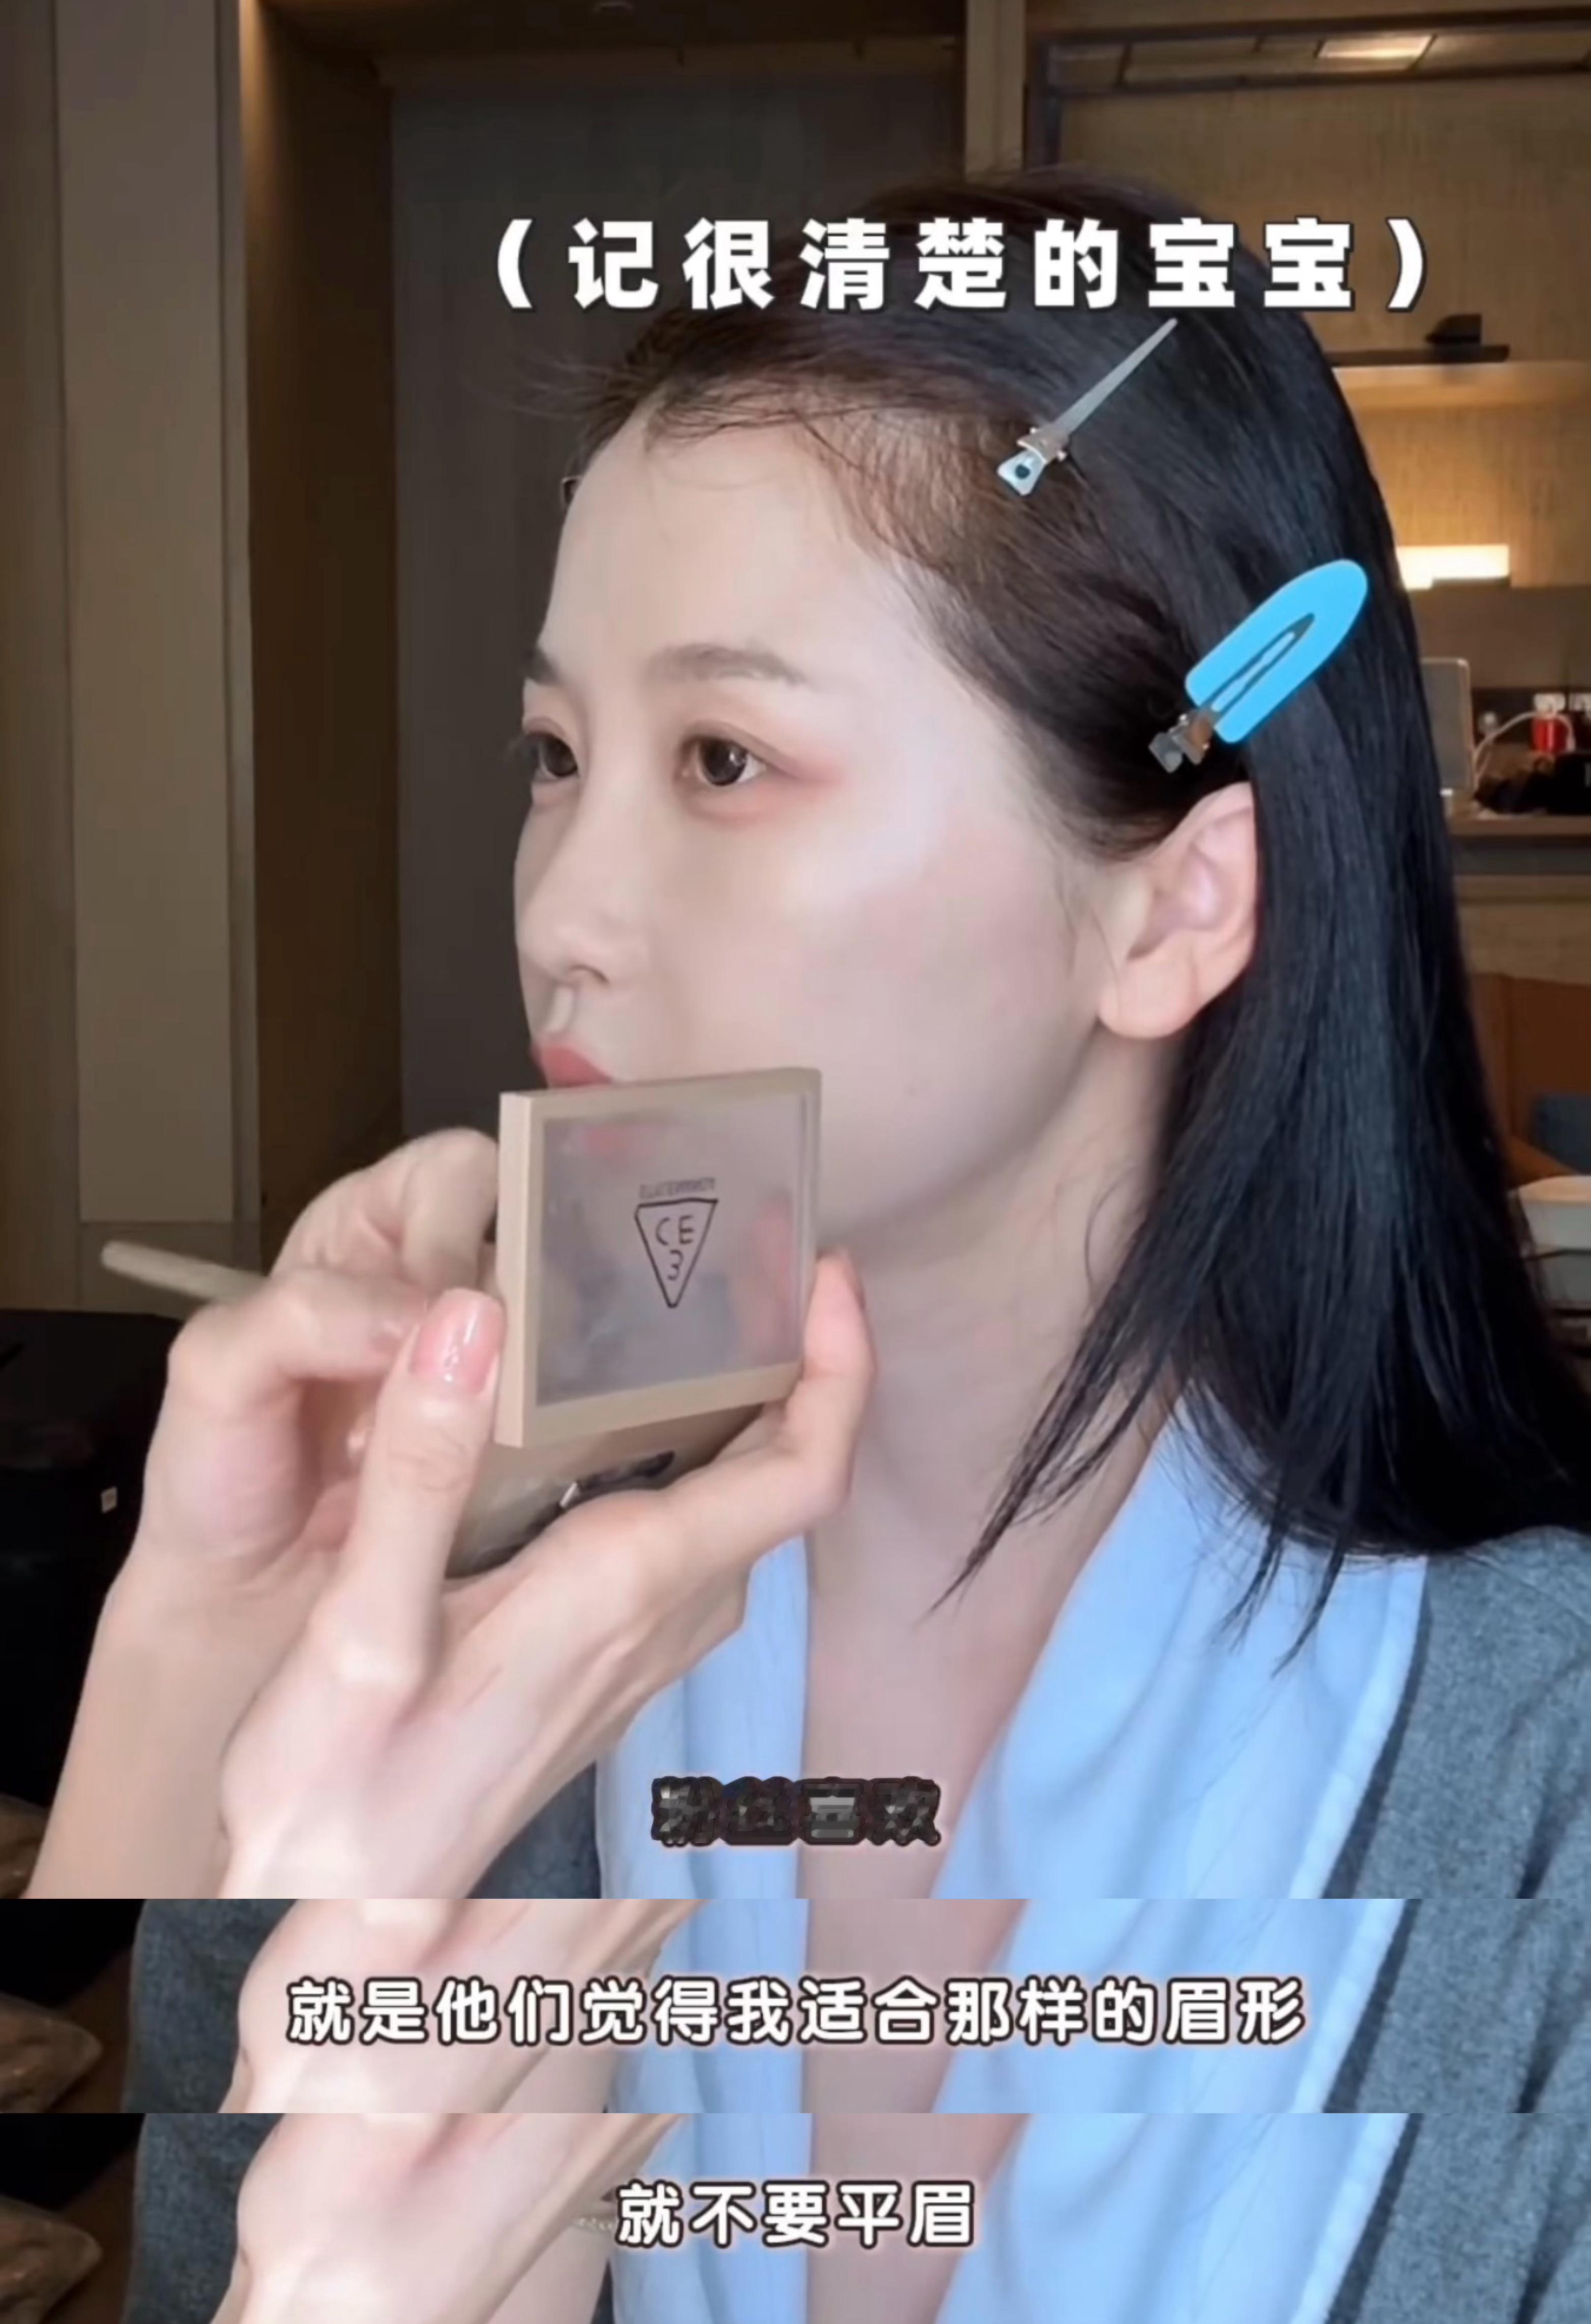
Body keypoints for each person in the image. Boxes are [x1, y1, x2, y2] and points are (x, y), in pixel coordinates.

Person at [38, 163, 1591, 2322]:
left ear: (1171, 905)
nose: (564, 914)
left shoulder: (1536, 1769)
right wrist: (200, 1669)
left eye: (726, 757)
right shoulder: (471, 1673)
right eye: (554, 753)